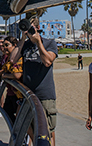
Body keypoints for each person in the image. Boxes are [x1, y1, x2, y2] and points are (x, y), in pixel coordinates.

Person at [15, 17, 58, 146]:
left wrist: (39, 43)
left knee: (47, 133)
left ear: (38, 28)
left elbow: (47, 61)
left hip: (45, 95)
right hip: (28, 94)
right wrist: (22, 39)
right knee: (30, 128)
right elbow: (13, 59)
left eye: (32, 27)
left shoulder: (50, 43)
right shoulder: (25, 45)